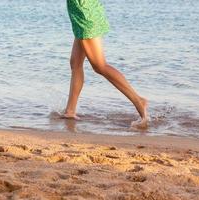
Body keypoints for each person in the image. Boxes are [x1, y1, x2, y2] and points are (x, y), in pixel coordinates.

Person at [63, 0, 148, 128]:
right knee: (75, 63)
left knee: (99, 65)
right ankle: (70, 111)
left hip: (85, 14)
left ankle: (138, 100)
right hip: (81, 13)